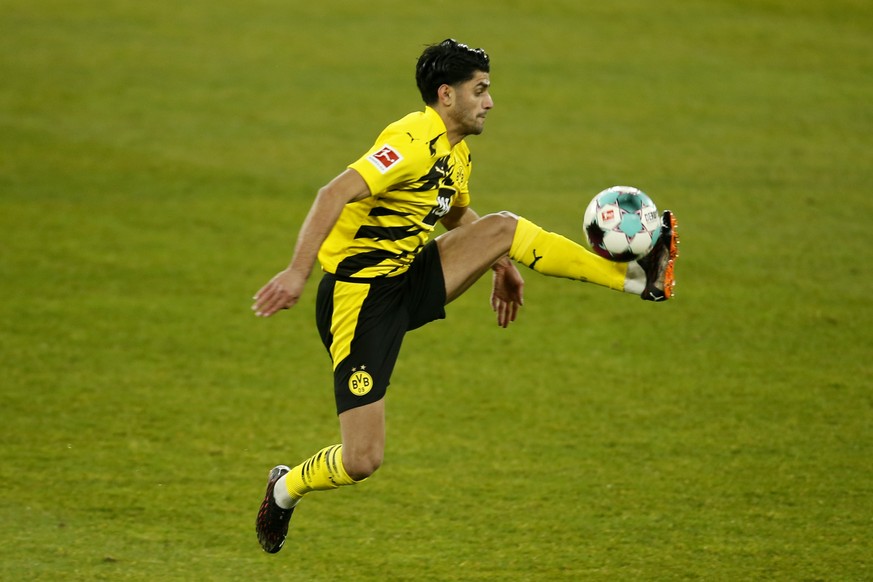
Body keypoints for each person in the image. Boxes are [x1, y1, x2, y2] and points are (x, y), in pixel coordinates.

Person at [253, 39, 678, 554]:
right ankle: (284, 487)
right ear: (445, 95)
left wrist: (501, 262)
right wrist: (297, 273)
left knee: (503, 228)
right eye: (480, 91)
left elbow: (455, 213)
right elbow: (332, 193)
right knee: (362, 459)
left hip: (407, 275)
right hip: (358, 302)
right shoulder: (409, 139)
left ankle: (640, 277)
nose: (490, 102)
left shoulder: (457, 156)